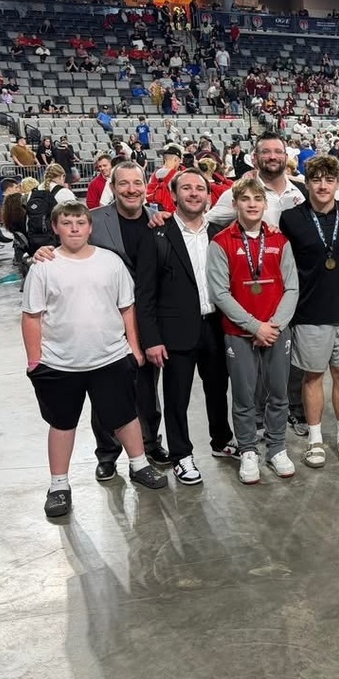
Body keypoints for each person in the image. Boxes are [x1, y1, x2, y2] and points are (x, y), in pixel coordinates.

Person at [22, 202, 168, 518]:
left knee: (126, 416)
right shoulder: (43, 266)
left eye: (80, 222)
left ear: (90, 227)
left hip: (110, 357)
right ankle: (59, 485)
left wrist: (134, 348)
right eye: (67, 222)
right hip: (60, 363)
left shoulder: (110, 262)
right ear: (55, 227)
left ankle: (139, 464)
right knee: (61, 424)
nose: (74, 228)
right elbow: (32, 316)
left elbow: (126, 307)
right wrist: (35, 361)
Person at [136, 169, 236, 486]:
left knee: (218, 390)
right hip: (176, 331)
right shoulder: (157, 234)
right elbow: (145, 293)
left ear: (209, 195)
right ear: (175, 194)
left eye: (200, 189)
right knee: (176, 396)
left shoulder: (221, 232)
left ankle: (221, 440)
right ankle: (181, 455)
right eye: (187, 188)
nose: (194, 193)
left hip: (216, 326)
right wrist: (151, 339)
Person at [208, 177, 300, 483]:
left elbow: (292, 288)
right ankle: (248, 449)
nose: (251, 204)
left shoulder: (279, 241)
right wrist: (254, 326)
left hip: (276, 330)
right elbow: (220, 293)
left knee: (278, 392)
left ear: (264, 204)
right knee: (244, 396)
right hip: (240, 332)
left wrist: (275, 325)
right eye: (245, 199)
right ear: (234, 204)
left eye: (257, 199)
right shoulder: (221, 242)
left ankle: (276, 447)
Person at [278, 155, 339, 467]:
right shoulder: (291, 218)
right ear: (307, 182)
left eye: (329, 179)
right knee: (312, 376)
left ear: (338, 183)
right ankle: (314, 439)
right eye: (317, 179)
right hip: (309, 312)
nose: (323, 185)